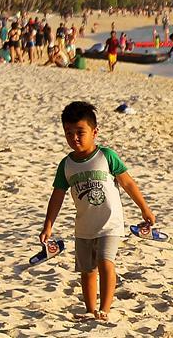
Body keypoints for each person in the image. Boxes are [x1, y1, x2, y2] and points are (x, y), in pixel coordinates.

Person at [39, 102, 155, 321]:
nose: (74, 138)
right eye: (69, 133)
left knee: (105, 261)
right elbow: (57, 196)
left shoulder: (106, 156)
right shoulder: (66, 165)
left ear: (94, 132)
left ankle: (105, 309)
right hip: (84, 227)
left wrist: (144, 209)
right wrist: (48, 225)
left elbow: (128, 183)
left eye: (80, 132)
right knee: (87, 271)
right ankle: (90, 310)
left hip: (110, 224)